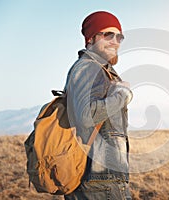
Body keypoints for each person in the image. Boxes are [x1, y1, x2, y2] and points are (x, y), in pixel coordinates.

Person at [64, 11, 133, 200]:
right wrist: (123, 95)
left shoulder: (100, 70)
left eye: (119, 36)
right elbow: (86, 116)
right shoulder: (89, 67)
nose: (115, 41)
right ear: (91, 38)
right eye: (108, 34)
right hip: (100, 186)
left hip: (104, 182)